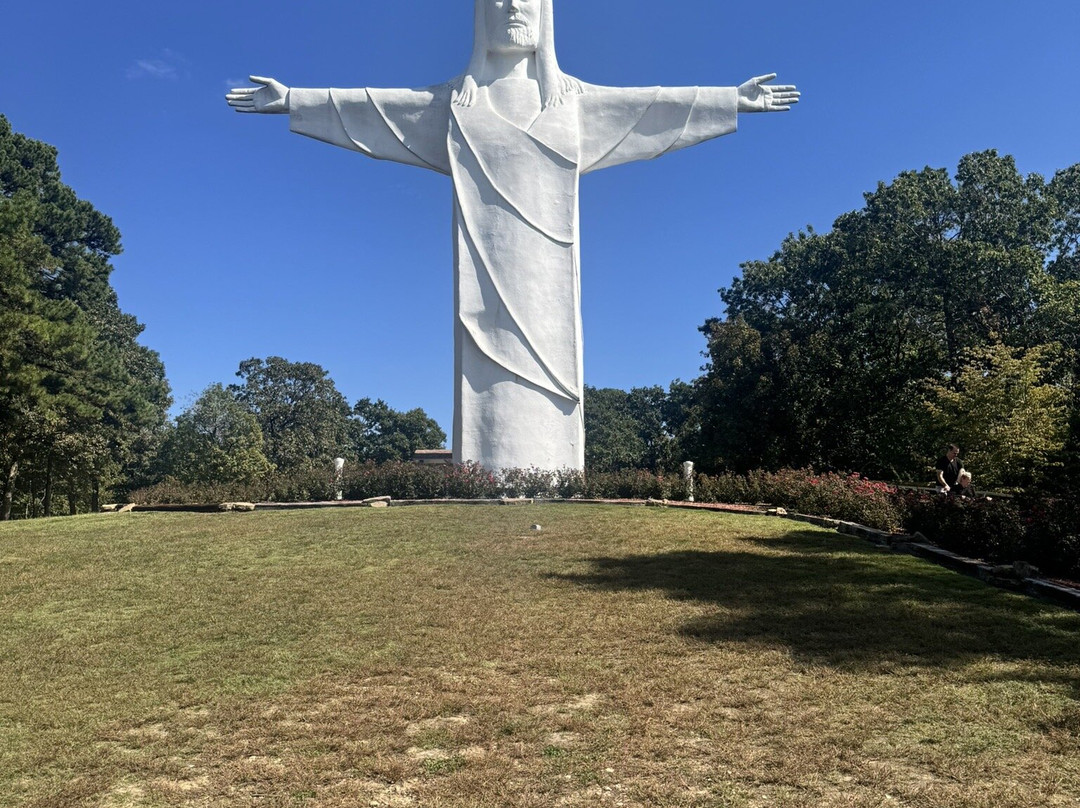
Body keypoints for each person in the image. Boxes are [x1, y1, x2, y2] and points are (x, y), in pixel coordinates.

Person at [225, 0, 798, 472]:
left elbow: (655, 107)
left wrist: (733, 100)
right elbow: (375, 110)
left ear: (546, 14)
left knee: (555, 382)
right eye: (498, 0)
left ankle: (556, 476)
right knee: (484, 381)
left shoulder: (572, 103)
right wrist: (293, 101)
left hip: (551, 291)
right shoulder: (454, 105)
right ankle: (483, 477)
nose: (513, 8)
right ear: (480, 16)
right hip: (483, 290)